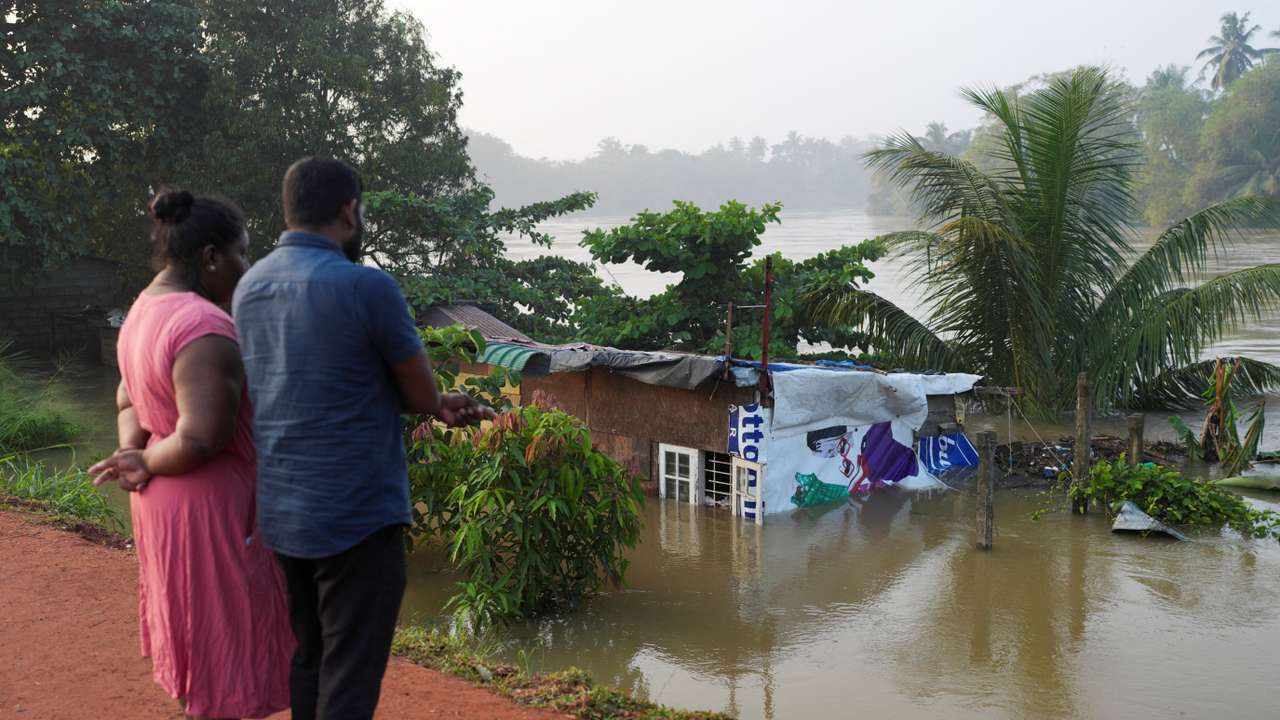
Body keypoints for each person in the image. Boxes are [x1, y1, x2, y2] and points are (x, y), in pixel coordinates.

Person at [232, 156, 491, 720]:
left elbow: (314, 382)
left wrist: (418, 400)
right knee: (350, 671)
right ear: (350, 211)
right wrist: (436, 401)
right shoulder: (367, 287)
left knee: (309, 657)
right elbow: (422, 396)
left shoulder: (250, 286)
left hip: (282, 513)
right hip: (356, 517)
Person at [89, 189, 294, 720]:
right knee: (227, 646)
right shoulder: (205, 328)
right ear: (209, 257)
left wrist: (132, 449)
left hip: (164, 504)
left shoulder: (144, 309)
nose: (245, 266)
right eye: (241, 253)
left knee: (198, 640)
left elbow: (126, 396)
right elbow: (201, 437)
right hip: (209, 513)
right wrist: (145, 460)